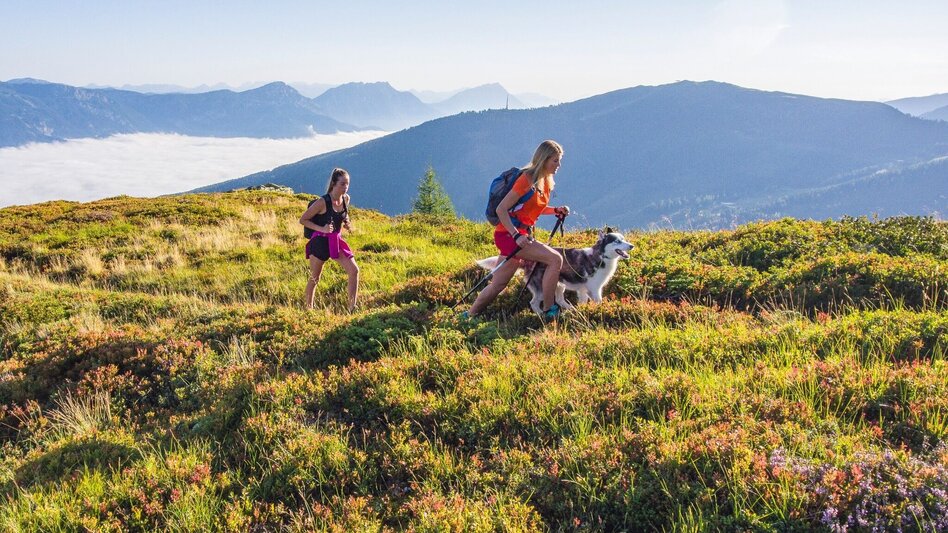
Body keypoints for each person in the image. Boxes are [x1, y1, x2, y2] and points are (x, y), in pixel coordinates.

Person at [467, 140, 570, 320]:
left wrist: (555, 210)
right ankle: (549, 310)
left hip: (517, 235)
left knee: (498, 284)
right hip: (509, 235)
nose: (558, 165)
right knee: (555, 260)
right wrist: (516, 235)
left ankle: (469, 315)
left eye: (559, 160)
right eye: (555, 160)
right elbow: (501, 209)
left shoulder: (544, 182)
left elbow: (531, 208)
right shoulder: (526, 179)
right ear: (544, 159)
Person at [300, 168, 359, 312]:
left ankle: (352, 308)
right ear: (333, 183)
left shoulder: (346, 199)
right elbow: (303, 220)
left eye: (347, 184)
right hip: (319, 242)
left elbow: (344, 215)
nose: (345, 187)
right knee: (315, 278)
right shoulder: (322, 202)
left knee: (354, 271)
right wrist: (322, 229)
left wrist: (347, 222)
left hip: (336, 241)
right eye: (342, 184)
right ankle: (309, 311)